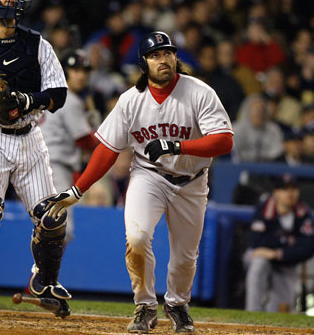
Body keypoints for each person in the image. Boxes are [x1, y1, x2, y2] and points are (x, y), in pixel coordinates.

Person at [47, 31, 233, 333]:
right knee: (136, 238)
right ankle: (145, 305)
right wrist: (77, 189)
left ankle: (176, 304)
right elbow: (107, 150)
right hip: (149, 175)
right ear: (144, 62)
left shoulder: (199, 92)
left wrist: (177, 146)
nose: (164, 59)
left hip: (192, 181)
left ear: (176, 58)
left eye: (168, 53)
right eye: (156, 55)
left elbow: (224, 141)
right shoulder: (131, 101)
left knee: (185, 257)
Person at [0, 0, 71, 317]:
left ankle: (45, 281)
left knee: (52, 217)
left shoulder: (35, 43)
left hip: (29, 137)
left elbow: (59, 93)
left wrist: (28, 99)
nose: (10, 4)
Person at [40, 49, 100, 240]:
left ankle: (43, 270)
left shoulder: (49, 93)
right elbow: (86, 142)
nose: (81, 75)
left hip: (41, 164)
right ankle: (44, 271)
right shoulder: (70, 100)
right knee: (60, 230)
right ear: (64, 72)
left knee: (48, 227)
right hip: (55, 167)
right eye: (75, 70)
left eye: (84, 71)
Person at [244, 175, 314, 312]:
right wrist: (288, 244)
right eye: (285, 189)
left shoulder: (303, 213)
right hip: (259, 258)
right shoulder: (264, 208)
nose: (290, 193)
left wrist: (278, 253)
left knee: (281, 310)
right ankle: (252, 311)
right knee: (259, 263)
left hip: (285, 263)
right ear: (276, 192)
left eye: (293, 189)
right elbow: (255, 242)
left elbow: (308, 248)